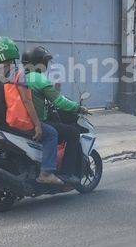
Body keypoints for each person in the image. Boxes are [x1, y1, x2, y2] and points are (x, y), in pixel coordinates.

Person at [0, 37, 63, 185]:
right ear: (13, 51)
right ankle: (46, 173)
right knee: (52, 133)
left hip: (2, 121)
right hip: (18, 121)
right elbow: (27, 101)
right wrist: (37, 125)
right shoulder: (17, 73)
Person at [21, 46, 88, 177]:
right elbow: (60, 102)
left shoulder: (21, 76)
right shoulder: (39, 79)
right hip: (37, 122)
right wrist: (78, 108)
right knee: (73, 133)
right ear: (37, 62)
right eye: (44, 61)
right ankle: (67, 174)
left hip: (22, 120)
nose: (46, 64)